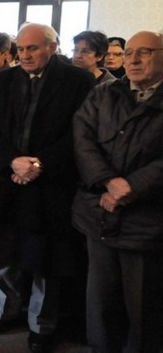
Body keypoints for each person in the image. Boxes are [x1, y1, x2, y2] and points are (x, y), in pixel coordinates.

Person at [0, 23, 95, 353]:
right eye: (22, 49)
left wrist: (39, 165)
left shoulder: (78, 81)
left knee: (47, 261)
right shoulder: (3, 79)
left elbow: (79, 133)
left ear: (52, 48)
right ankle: (6, 312)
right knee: (4, 253)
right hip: (6, 181)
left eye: (33, 48)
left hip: (51, 185)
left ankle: (42, 324)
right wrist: (12, 162)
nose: (25, 55)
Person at [71, 31, 163, 353]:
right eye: (129, 53)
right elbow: (82, 138)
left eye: (145, 52)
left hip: (146, 220)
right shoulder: (105, 92)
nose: (133, 59)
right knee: (100, 300)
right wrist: (109, 181)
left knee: (144, 305)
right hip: (99, 210)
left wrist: (132, 186)